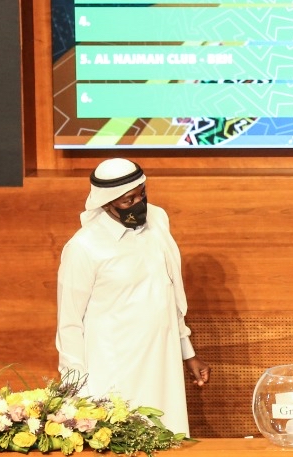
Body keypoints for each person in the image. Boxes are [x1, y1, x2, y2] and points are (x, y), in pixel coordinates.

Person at [56, 158, 210, 435]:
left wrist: (187, 352)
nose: (139, 204)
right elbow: (69, 324)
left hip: (163, 361)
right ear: (106, 203)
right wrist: (75, 390)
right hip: (115, 368)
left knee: (169, 437)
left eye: (142, 194)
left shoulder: (158, 220)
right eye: (129, 200)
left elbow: (168, 290)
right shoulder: (83, 247)